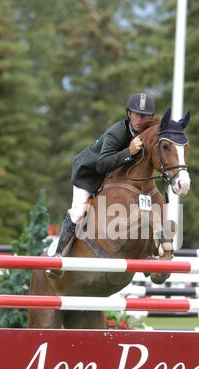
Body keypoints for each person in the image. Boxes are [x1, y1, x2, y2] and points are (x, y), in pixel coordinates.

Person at [53, 92, 155, 257]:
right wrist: (129, 152)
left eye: (145, 116)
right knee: (79, 212)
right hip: (90, 174)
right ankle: (58, 255)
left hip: (114, 175)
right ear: (129, 114)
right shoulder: (117, 132)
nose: (140, 120)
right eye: (137, 114)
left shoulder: (147, 132)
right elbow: (101, 165)